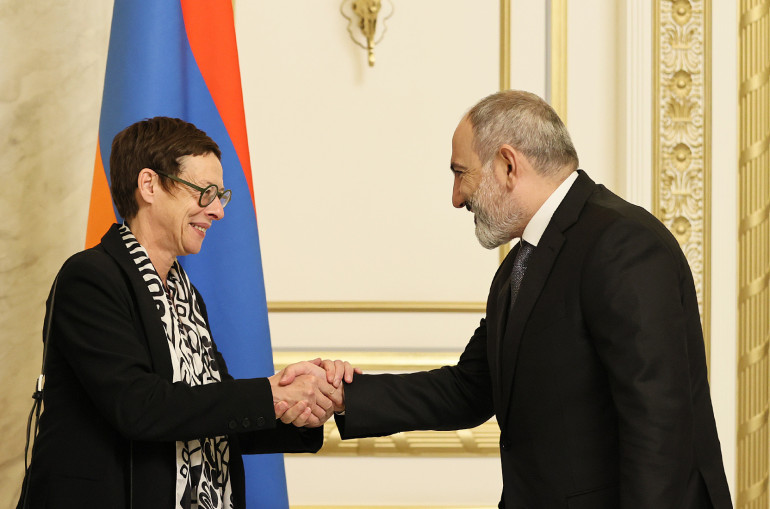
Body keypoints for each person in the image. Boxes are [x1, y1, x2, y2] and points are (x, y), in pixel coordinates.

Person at [333, 91, 732, 508]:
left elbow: (659, 428)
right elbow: (469, 388)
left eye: (461, 173)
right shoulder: (521, 263)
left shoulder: (623, 243)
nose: (457, 197)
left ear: (508, 165)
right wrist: (345, 396)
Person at [22, 117, 353, 509]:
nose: (218, 211)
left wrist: (301, 410)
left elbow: (213, 416)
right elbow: (140, 407)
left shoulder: (186, 296)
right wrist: (269, 392)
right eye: (205, 192)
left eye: (220, 196)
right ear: (149, 185)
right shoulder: (90, 278)